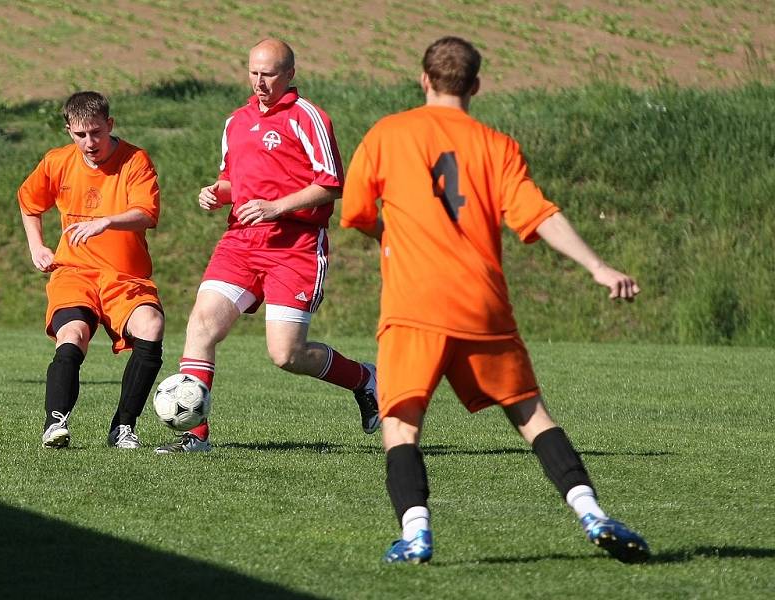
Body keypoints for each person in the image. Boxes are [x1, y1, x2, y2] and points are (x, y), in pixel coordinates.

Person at [341, 36, 650, 564]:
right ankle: (592, 513)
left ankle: (416, 535)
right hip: (483, 305)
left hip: (414, 306)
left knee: (401, 421)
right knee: (531, 415)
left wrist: (391, 234)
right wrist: (598, 266)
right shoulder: (496, 145)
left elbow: (355, 212)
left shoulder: (389, 134)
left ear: (423, 79)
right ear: (476, 86)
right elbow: (540, 214)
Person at [154, 38, 378, 454]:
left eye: (269, 73)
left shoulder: (308, 117)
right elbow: (234, 183)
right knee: (201, 325)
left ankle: (366, 379)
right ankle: (196, 436)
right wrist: (215, 193)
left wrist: (277, 207)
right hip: (240, 241)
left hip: (295, 247)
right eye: (254, 72)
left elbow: (331, 186)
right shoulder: (235, 121)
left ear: (290, 74)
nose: (260, 81)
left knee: (286, 354)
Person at [18, 91, 165, 450]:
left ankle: (123, 427)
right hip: (75, 271)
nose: (89, 142)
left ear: (109, 125)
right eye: (80, 134)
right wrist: (37, 247)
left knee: (152, 326)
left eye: (96, 133)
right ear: (69, 130)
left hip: (125, 276)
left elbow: (147, 213)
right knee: (74, 333)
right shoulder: (57, 162)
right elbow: (29, 203)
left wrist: (107, 222)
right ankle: (55, 423)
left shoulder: (135, 161)